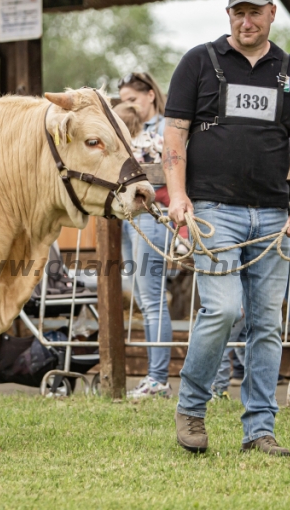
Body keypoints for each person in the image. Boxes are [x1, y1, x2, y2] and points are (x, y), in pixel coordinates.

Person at [165, 0, 290, 456]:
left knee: (267, 325)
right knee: (223, 309)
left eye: (255, 11)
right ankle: (192, 407)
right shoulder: (199, 61)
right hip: (215, 212)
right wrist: (178, 198)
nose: (247, 20)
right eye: (239, 12)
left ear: (272, 13)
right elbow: (174, 138)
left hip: (275, 215)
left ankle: (260, 429)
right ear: (228, 13)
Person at [117, 72, 172, 399]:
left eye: (133, 99)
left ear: (151, 95)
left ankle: (158, 378)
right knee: (140, 294)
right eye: (124, 101)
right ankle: (156, 377)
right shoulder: (123, 129)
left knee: (152, 297)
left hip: (153, 215)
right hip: (128, 217)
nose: (129, 106)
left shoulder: (166, 128)